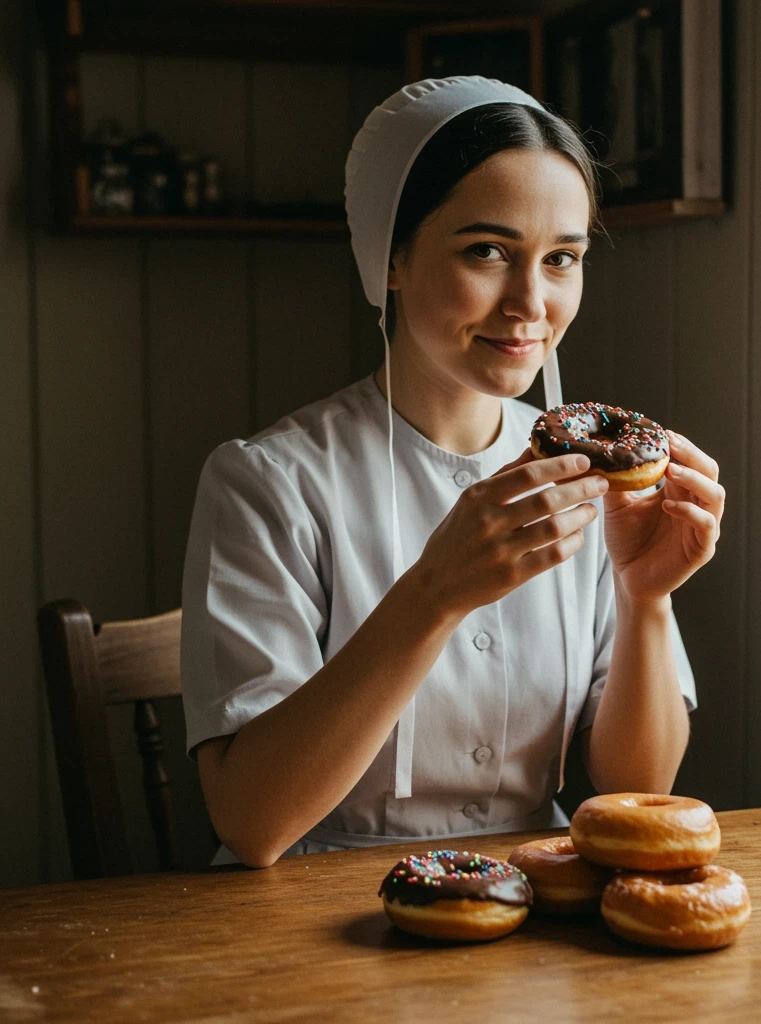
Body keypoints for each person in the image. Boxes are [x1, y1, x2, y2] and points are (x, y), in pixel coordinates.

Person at [180, 76, 724, 869]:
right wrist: (436, 592)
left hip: (531, 910)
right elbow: (253, 823)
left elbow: (634, 793)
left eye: (562, 259)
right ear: (390, 260)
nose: (531, 303)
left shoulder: (595, 487)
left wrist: (646, 599)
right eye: (487, 251)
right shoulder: (267, 482)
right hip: (311, 915)